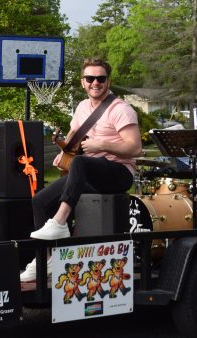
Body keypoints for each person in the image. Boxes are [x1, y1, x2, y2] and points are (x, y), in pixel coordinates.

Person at [20, 57, 142, 282]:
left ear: (108, 81)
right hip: (87, 170)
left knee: (80, 163)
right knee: (39, 200)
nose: (96, 83)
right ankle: (46, 259)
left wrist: (101, 145)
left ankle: (59, 223)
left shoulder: (121, 109)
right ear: (82, 82)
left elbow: (135, 148)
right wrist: (63, 153)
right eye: (90, 78)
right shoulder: (82, 107)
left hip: (118, 173)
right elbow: (73, 138)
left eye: (101, 78)